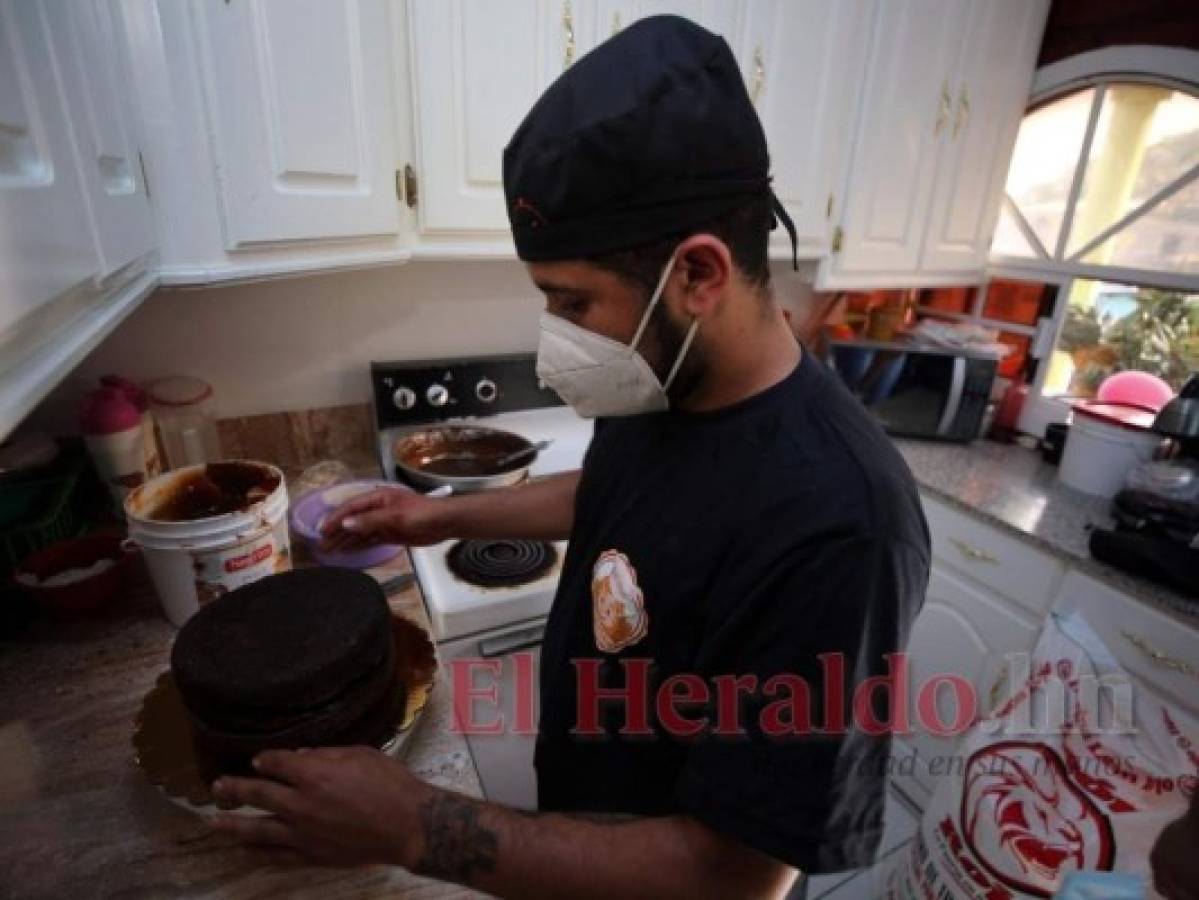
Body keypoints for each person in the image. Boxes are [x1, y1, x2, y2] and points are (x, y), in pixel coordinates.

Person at [213, 16, 930, 898]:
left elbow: (733, 875)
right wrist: (439, 515)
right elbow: (625, 494)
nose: (557, 340)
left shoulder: (841, 527)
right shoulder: (662, 376)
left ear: (699, 274)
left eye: (573, 301)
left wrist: (416, 826)